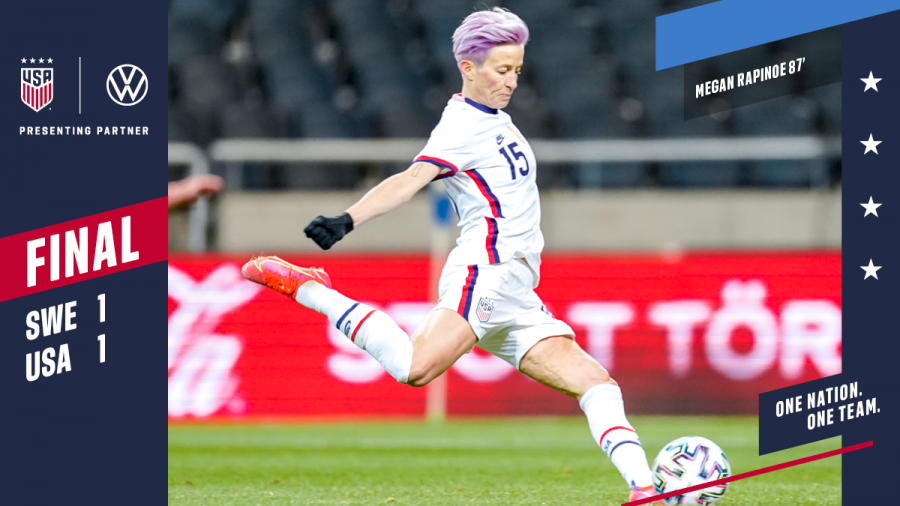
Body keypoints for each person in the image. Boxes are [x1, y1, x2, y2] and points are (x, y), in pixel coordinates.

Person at [242, 8, 661, 504]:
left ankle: (645, 490)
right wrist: (347, 219)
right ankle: (312, 290)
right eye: (502, 71)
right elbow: (410, 180)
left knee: (596, 383)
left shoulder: (495, 120)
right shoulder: (460, 126)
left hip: (518, 290)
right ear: (468, 66)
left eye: (517, 71)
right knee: (414, 369)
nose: (511, 82)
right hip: (484, 272)